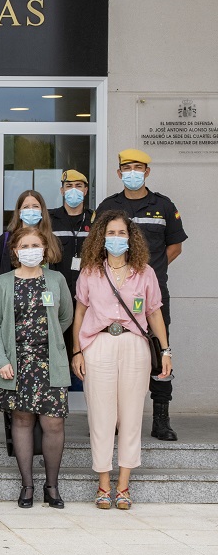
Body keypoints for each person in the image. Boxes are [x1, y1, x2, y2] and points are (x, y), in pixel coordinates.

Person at [72, 211, 172, 510]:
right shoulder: (90, 271)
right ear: (101, 237)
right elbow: (79, 312)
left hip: (134, 346)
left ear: (131, 238)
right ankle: (103, 484)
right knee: (101, 417)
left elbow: (154, 313)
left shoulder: (145, 272)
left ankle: (124, 485)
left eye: (121, 233)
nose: (116, 239)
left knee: (130, 415)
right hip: (98, 344)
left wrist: (166, 351)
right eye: (111, 233)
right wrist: (77, 350)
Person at [95, 149, 187, 441]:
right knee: (115, 353)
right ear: (118, 172)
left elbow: (175, 246)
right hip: (113, 296)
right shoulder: (109, 206)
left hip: (153, 294)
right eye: (126, 167)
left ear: (147, 171)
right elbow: (97, 246)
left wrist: (146, 272)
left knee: (159, 350)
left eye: (138, 167)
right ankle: (116, 420)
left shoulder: (163, 205)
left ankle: (161, 418)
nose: (132, 172)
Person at [0, 225, 74, 509]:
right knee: (22, 420)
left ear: (45, 249)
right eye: (24, 246)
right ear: (15, 251)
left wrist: (48, 340)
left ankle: (52, 486)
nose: (30, 251)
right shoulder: (3, 282)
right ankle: (27, 486)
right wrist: (2, 359)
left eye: (35, 245)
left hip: (50, 361)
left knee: (54, 422)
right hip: (16, 362)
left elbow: (65, 317)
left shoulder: (56, 279)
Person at [0, 190, 62, 301]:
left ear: (42, 211)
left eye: (35, 206)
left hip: (45, 307)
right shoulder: (5, 240)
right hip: (11, 309)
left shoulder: (52, 240)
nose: (31, 210)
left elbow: (59, 281)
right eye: (26, 207)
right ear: (19, 212)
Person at [49, 170, 92, 295]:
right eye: (69, 186)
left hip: (88, 291)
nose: (74, 190)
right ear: (62, 191)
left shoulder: (95, 220)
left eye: (78, 186)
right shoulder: (50, 220)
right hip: (57, 289)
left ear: (85, 191)